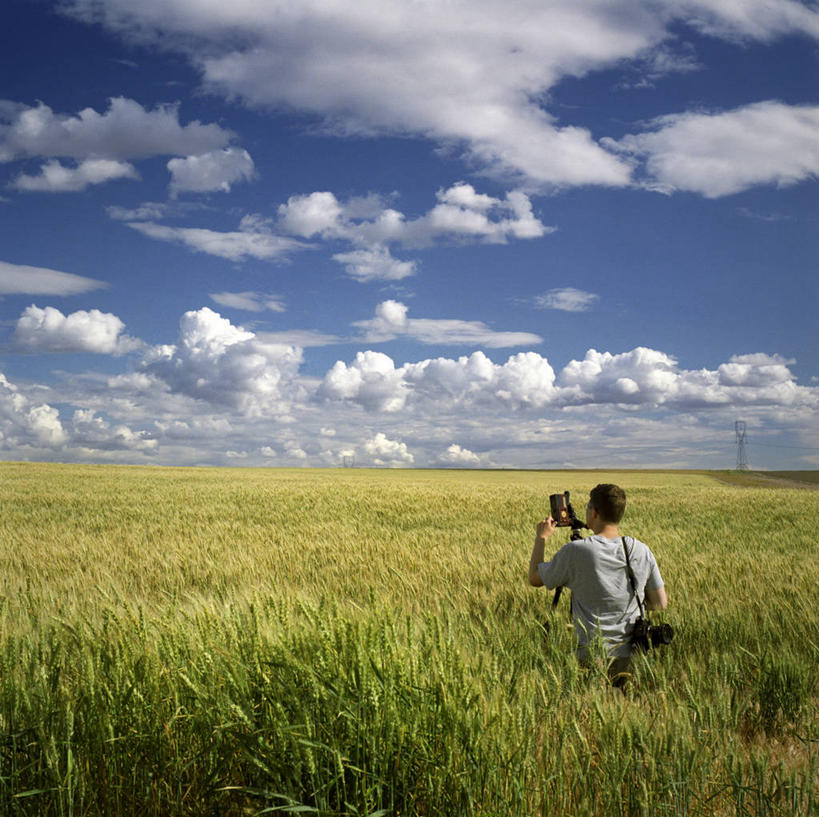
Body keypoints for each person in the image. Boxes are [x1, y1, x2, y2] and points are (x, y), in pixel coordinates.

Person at [528, 483, 667, 687]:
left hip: (590, 657)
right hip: (632, 656)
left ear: (594, 512)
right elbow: (659, 604)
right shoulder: (641, 550)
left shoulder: (576, 552)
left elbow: (534, 578)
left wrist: (541, 537)